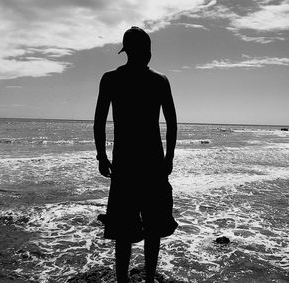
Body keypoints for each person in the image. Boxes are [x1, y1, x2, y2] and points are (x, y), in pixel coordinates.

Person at [93, 26, 178, 283]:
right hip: (152, 162)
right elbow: (172, 123)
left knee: (124, 229)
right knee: (152, 228)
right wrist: (169, 158)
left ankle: (123, 281)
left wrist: (101, 156)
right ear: (146, 50)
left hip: (126, 164)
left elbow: (99, 122)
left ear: (126, 51)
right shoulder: (159, 81)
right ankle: (149, 279)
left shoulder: (111, 79)